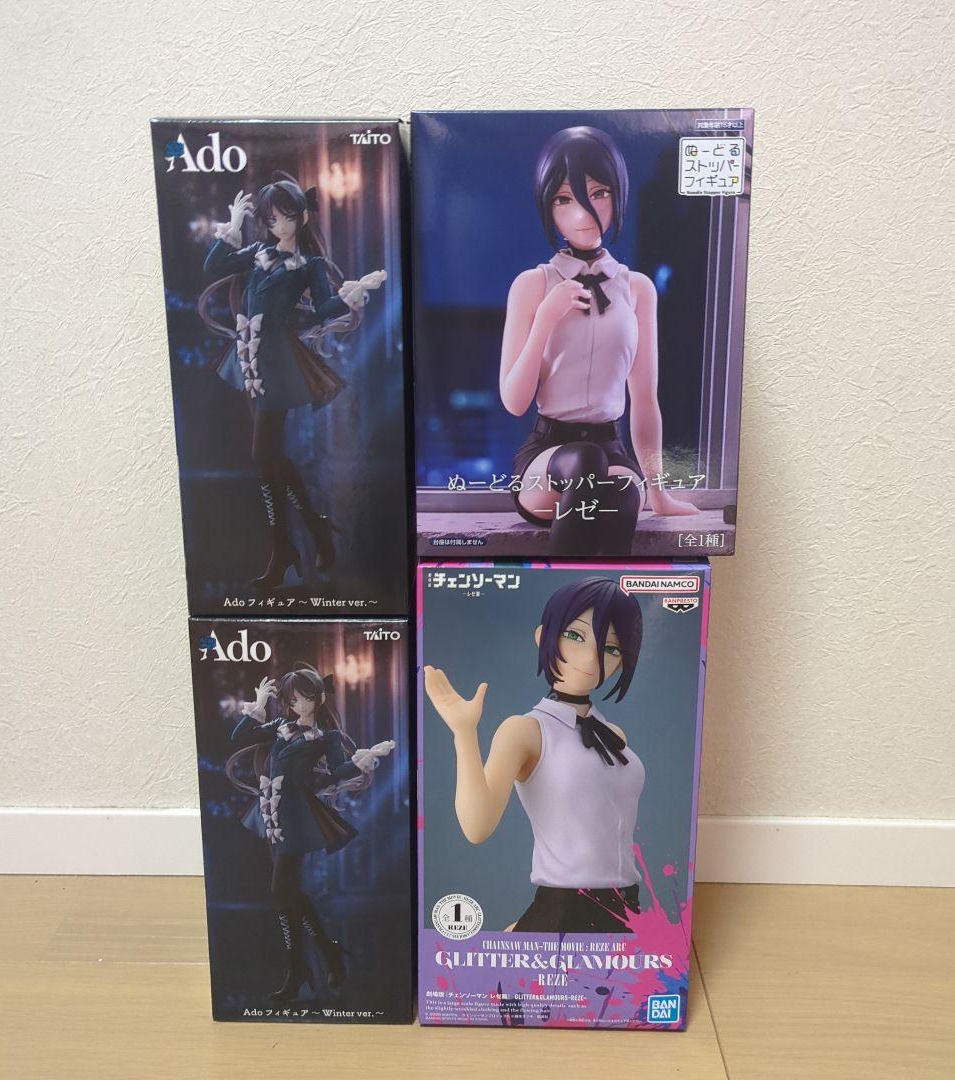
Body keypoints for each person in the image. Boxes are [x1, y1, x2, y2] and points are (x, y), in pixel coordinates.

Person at [499, 127, 698, 555]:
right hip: (547, 456)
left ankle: (593, 590)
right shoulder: (532, 285)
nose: (582, 213)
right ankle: (559, 589)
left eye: (599, 193)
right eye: (563, 199)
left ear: (618, 195)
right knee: (588, 465)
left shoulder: (637, 289)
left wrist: (659, 493)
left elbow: (644, 398)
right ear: (547, 206)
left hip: (612, 448)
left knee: (622, 491)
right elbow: (514, 401)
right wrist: (546, 318)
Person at [424, 577, 646, 933]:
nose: (591, 658)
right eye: (575, 636)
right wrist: (464, 733)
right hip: (568, 907)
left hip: (627, 905)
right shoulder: (526, 730)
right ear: (544, 637)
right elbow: (477, 827)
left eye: (611, 649)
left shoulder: (613, 735)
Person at [199, 172, 386, 584]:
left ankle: (286, 547)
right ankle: (311, 531)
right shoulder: (257, 252)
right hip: (250, 359)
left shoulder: (309, 265)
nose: (277, 225)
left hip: (279, 363)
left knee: (263, 456)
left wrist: (350, 294)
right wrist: (233, 226)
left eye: (285, 216)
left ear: (301, 216)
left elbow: (322, 309)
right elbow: (214, 265)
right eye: (270, 219)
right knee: (270, 458)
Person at [226, 663, 394, 1000]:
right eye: (293, 700)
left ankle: (298, 968)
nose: (299, 705)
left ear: (318, 697)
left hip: (297, 817)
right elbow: (239, 738)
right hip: (271, 813)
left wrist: (362, 759)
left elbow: (338, 771)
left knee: (280, 892)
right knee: (288, 893)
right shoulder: (280, 726)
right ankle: (326, 953)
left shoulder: (326, 737)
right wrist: (258, 706)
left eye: (305, 698)